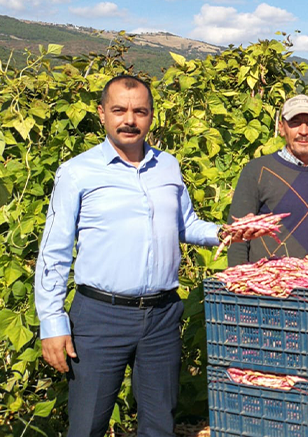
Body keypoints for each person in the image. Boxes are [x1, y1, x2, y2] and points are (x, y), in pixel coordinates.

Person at [34, 75, 261, 437]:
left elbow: (184, 224)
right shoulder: (77, 172)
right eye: (119, 110)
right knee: (87, 424)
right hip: (99, 318)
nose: (129, 120)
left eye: (139, 111)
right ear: (102, 114)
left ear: (151, 116)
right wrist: (52, 321)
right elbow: (54, 252)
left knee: (159, 423)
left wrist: (224, 233)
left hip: (161, 316)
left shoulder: (168, 166)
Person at [227, 94, 308, 266]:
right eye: (295, 123)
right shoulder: (258, 170)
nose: (303, 131)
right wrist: (238, 280)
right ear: (282, 128)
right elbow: (236, 239)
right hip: (268, 283)